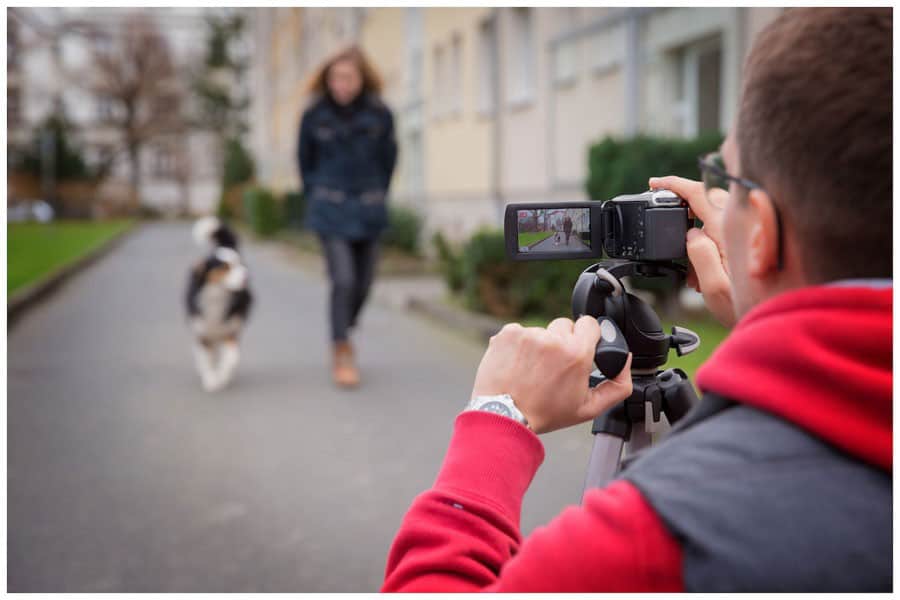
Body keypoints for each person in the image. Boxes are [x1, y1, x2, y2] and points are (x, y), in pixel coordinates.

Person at [382, 8, 890, 592]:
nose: (714, 200)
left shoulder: (664, 537)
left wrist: (497, 417)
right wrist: (766, 307)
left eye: (731, 182)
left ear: (762, 236)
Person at [297, 46, 397, 388]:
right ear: (327, 80)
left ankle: (344, 325)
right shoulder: (314, 116)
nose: (341, 83)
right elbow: (304, 163)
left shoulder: (380, 114)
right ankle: (341, 349)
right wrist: (319, 195)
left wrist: (376, 193)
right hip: (330, 209)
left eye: (348, 77)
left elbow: (388, 160)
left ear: (361, 78)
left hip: (368, 209)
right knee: (343, 279)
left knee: (364, 282)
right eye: (335, 77)